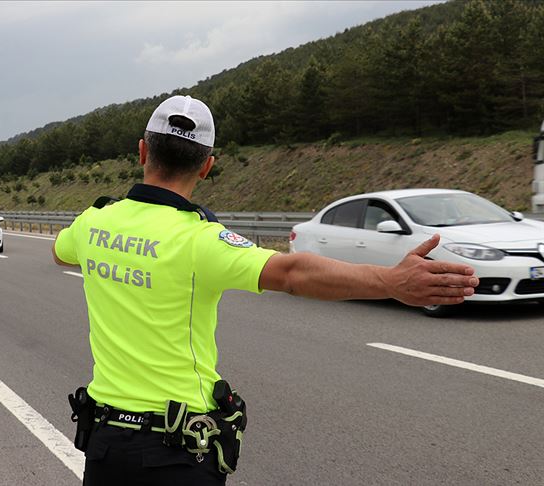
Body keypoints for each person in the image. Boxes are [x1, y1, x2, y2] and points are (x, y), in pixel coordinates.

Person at [53, 95, 479, 486]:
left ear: (143, 151)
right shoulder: (201, 240)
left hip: (106, 447)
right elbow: (292, 273)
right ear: (207, 166)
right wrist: (390, 281)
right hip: (175, 453)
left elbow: (60, 253)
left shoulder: (94, 222)